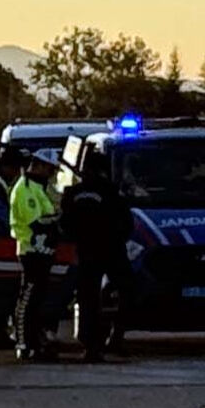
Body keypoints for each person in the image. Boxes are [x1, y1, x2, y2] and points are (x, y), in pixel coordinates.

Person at [59, 153, 134, 361]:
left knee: (87, 298)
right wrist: (116, 239)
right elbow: (127, 223)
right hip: (112, 251)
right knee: (127, 291)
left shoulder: (73, 193)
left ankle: (90, 345)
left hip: (85, 252)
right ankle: (115, 338)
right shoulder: (111, 192)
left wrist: (79, 240)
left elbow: (65, 224)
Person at [9, 149, 63, 360]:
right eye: (49, 169)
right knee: (28, 298)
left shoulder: (41, 187)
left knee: (37, 299)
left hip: (44, 251)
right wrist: (57, 220)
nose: (51, 174)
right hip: (31, 251)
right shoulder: (25, 188)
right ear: (38, 165)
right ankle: (24, 344)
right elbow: (37, 222)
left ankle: (35, 343)